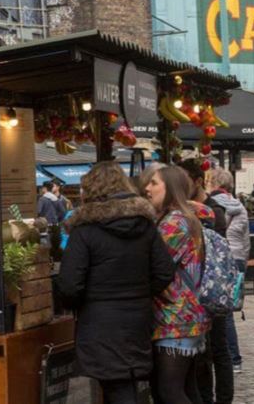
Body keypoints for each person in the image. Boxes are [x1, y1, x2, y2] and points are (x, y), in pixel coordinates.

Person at [56, 162, 174, 404]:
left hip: (99, 320)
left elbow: (69, 284)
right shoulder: (145, 225)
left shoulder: (85, 230)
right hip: (138, 317)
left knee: (114, 387)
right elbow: (164, 271)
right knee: (125, 383)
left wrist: (83, 302)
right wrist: (140, 293)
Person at [145, 166, 211, 404]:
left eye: (154, 183)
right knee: (187, 389)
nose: (147, 188)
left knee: (169, 391)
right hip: (187, 316)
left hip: (175, 319)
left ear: (170, 188)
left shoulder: (173, 222)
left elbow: (153, 265)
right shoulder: (186, 217)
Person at [179, 159, 231, 404]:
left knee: (217, 349)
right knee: (204, 353)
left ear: (197, 181)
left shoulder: (213, 210)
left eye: (183, 181)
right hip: (193, 292)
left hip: (211, 289)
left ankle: (221, 399)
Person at [208, 168, 250, 375]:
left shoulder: (211, 206)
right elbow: (245, 239)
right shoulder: (240, 207)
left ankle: (232, 358)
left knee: (222, 314)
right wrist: (244, 262)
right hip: (238, 256)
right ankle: (234, 359)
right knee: (230, 310)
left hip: (221, 258)